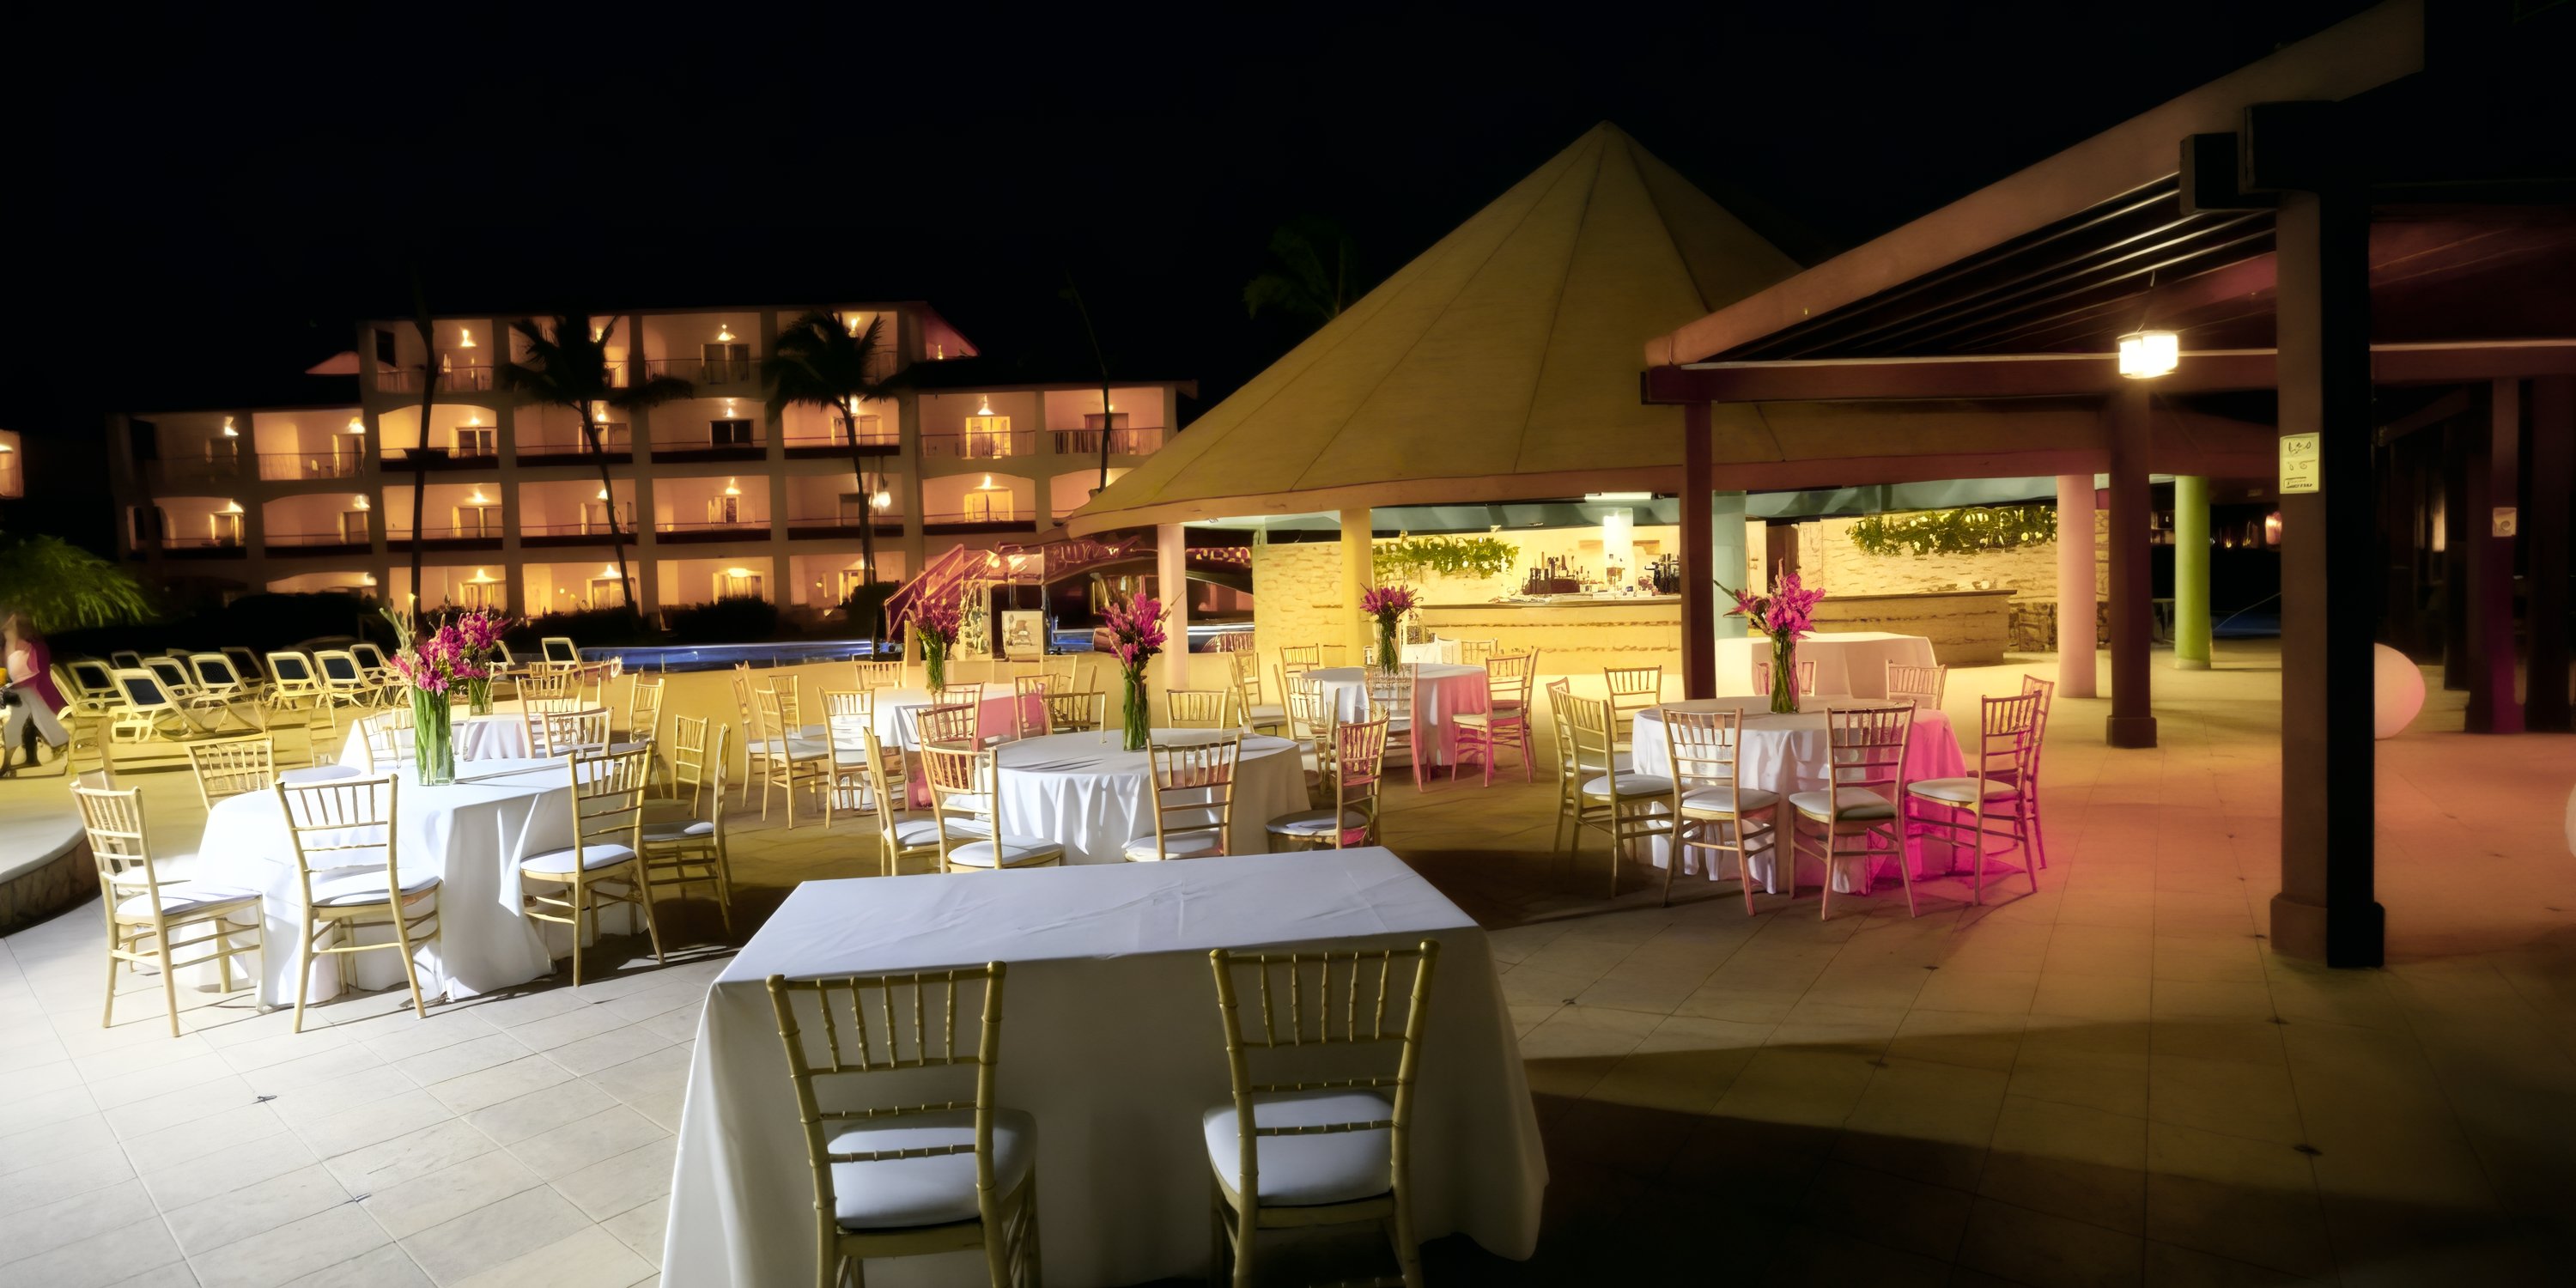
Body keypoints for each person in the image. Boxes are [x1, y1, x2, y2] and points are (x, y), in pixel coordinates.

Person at [3, 611, 71, 775]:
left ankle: (67, 754)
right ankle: (6, 765)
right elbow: (14, 671)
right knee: (13, 728)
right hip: (23, 692)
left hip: (36, 691)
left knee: (45, 724)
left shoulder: (36, 647)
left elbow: (40, 673)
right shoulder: (13, 645)